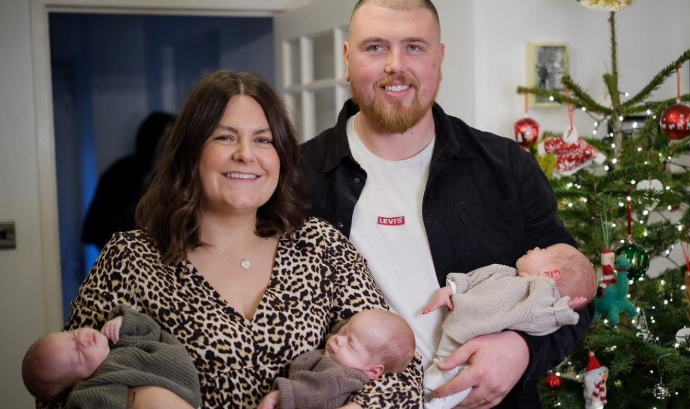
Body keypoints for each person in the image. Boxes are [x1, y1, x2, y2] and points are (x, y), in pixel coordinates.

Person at [43, 70, 421, 409]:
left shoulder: (322, 247)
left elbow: (403, 372)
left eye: (263, 140)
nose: (245, 155)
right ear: (191, 152)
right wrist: (139, 399)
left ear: (281, 157)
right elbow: (56, 388)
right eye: (225, 137)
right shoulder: (129, 258)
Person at [298, 1, 594, 407]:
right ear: (348, 59)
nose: (395, 65)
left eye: (415, 47)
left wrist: (523, 350)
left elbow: (575, 295)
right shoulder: (296, 176)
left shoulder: (506, 167)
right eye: (376, 48)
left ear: (440, 59)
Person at [421, 244, 596, 409]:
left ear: (551, 273)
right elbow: (475, 277)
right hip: (456, 325)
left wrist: (561, 311)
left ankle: (437, 404)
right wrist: (450, 289)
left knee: (459, 377)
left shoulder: (538, 295)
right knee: (440, 367)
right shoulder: (505, 272)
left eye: (543, 249)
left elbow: (541, 321)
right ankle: (424, 392)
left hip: (473, 344)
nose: (535, 247)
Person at [22, 305, 201, 409]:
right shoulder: (92, 388)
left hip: (184, 380)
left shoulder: (116, 338)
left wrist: (123, 321)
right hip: (181, 395)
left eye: (73, 334)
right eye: (77, 355)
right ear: (77, 383)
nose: (82, 341)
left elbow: (152, 331)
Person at [258, 309, 416, 409]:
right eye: (342, 332)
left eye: (351, 345)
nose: (338, 340)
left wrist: (277, 396)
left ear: (374, 370)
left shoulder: (339, 376)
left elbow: (315, 389)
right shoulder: (349, 357)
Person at [81, 112, 176, 251]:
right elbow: (96, 228)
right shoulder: (121, 174)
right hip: (123, 259)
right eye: (165, 140)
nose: (169, 147)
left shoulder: (178, 177)